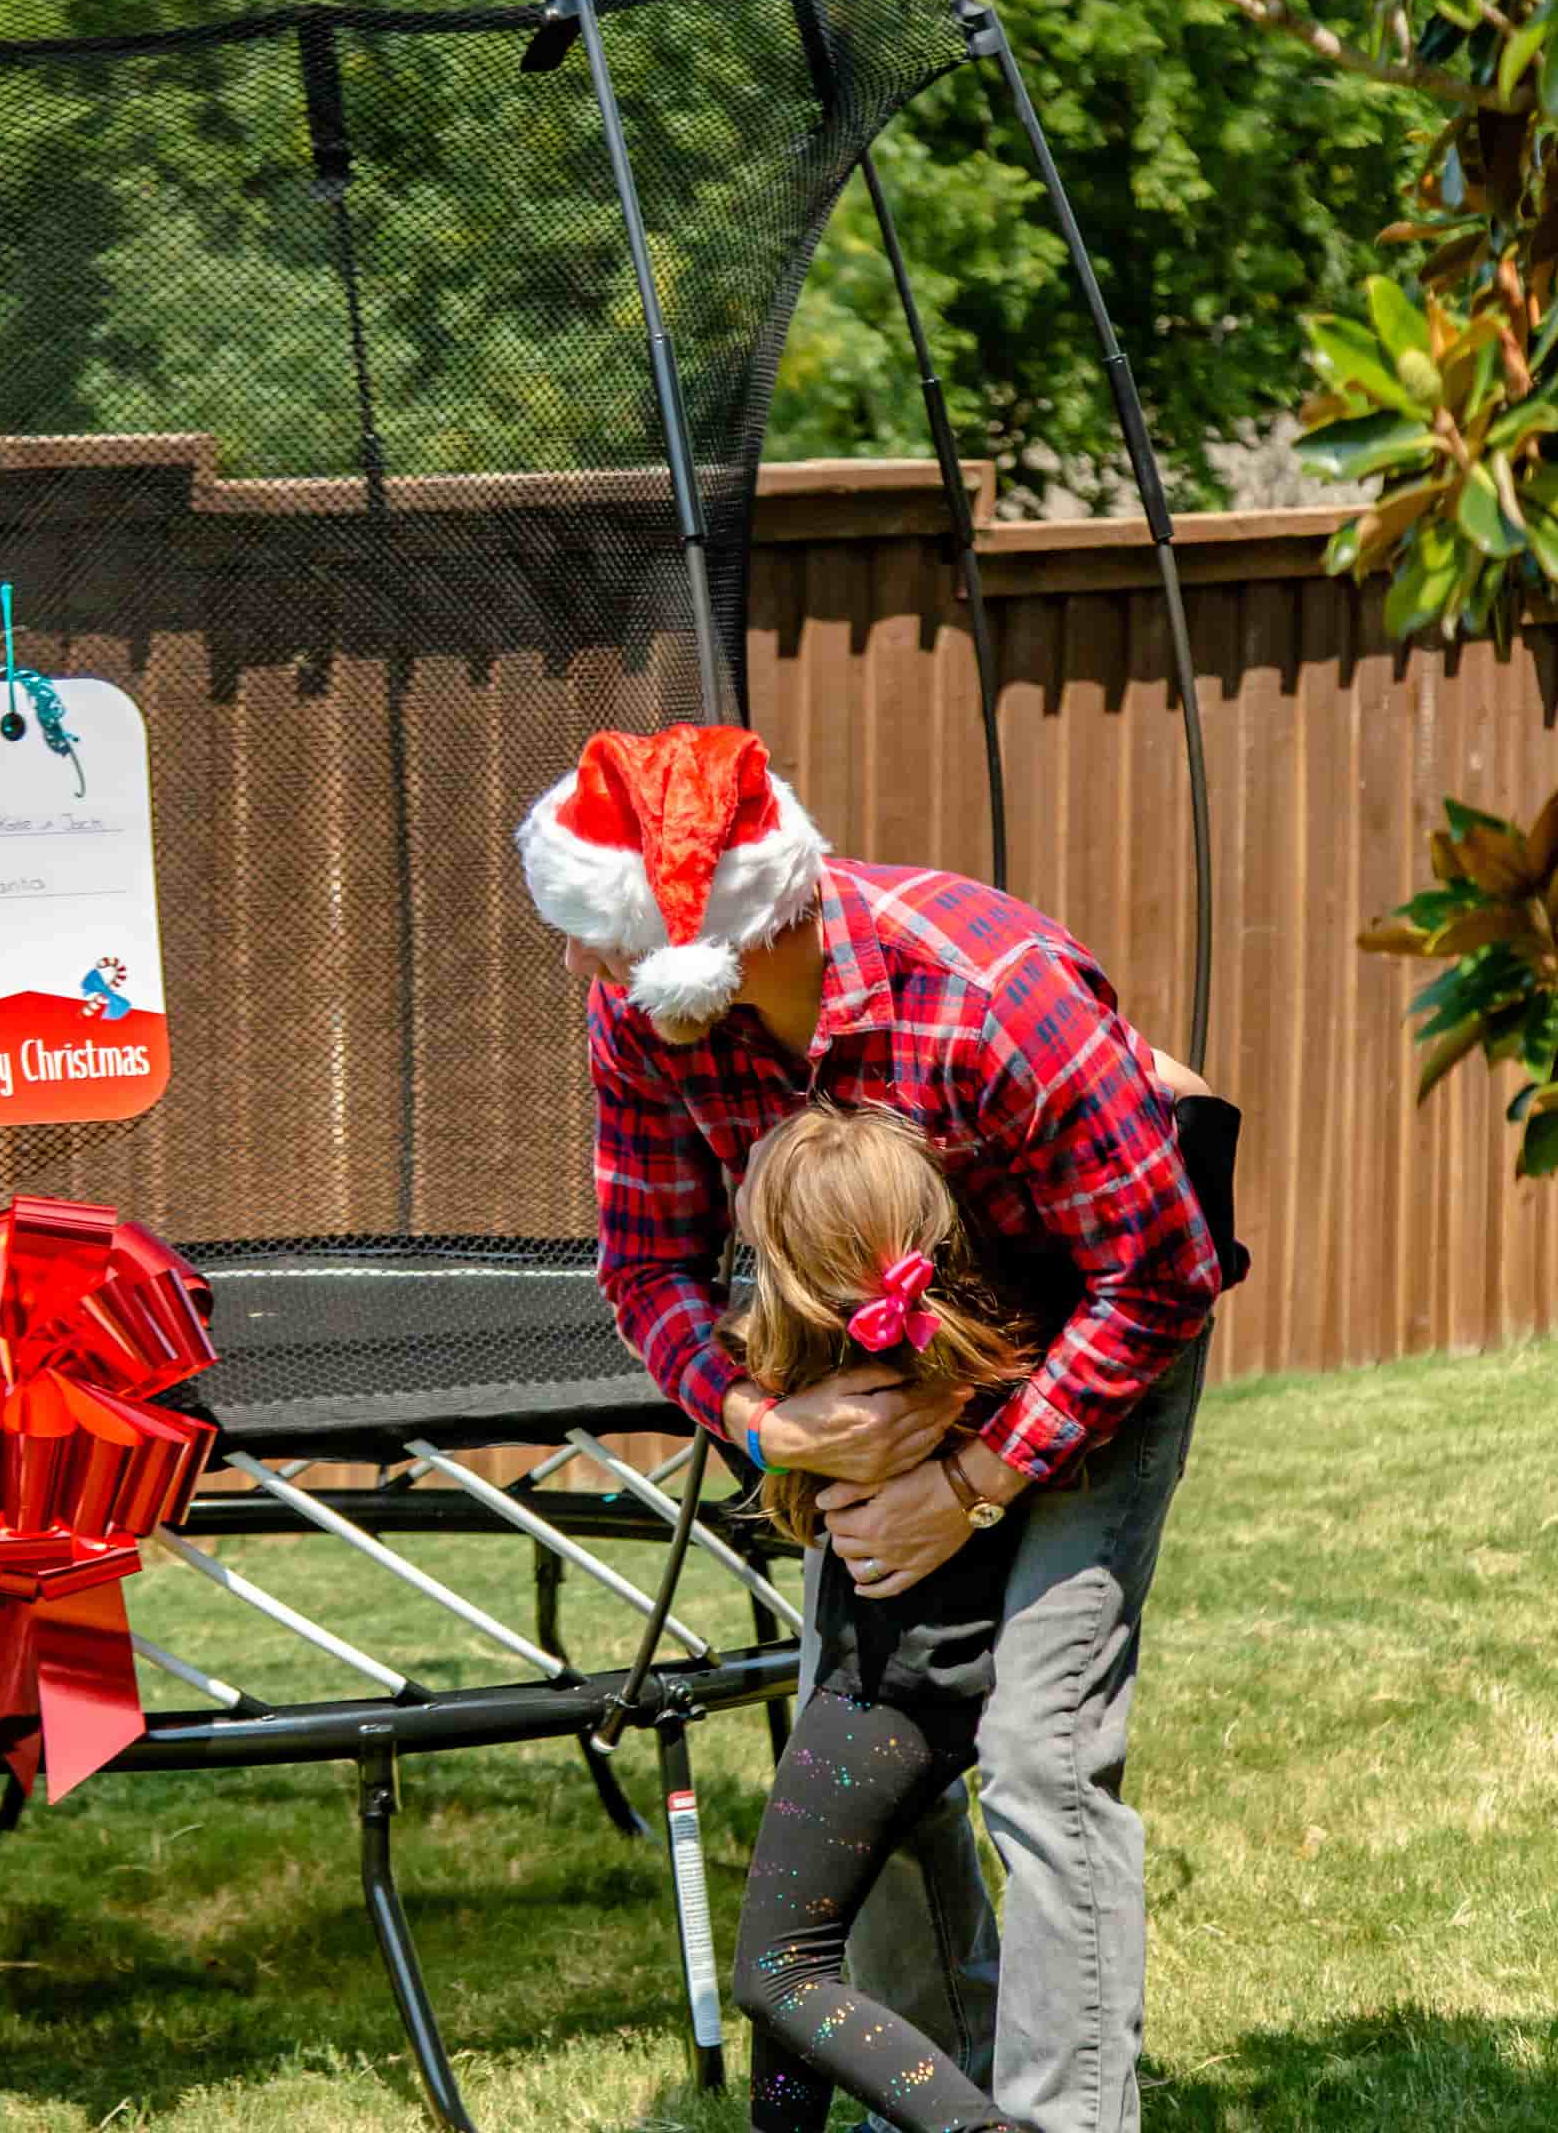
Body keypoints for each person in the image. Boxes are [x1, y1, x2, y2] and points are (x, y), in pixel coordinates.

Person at [515, 724, 1235, 2133]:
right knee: (879, 1776)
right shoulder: (647, 1025)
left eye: (590, 943)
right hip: (875, 1401)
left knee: (1040, 1747)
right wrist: (765, 1424)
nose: (573, 974)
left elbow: (1159, 1275)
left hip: (1101, 1337)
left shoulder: (992, 992)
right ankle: (956, 2088)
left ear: (701, 947)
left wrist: (971, 1479)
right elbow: (644, 1274)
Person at [721, 1103, 1048, 2132]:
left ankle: (972, 2126)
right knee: (795, 1943)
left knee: (780, 1972)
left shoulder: (845, 1391)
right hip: (918, 1684)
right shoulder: (949, 1352)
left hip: (888, 1692)